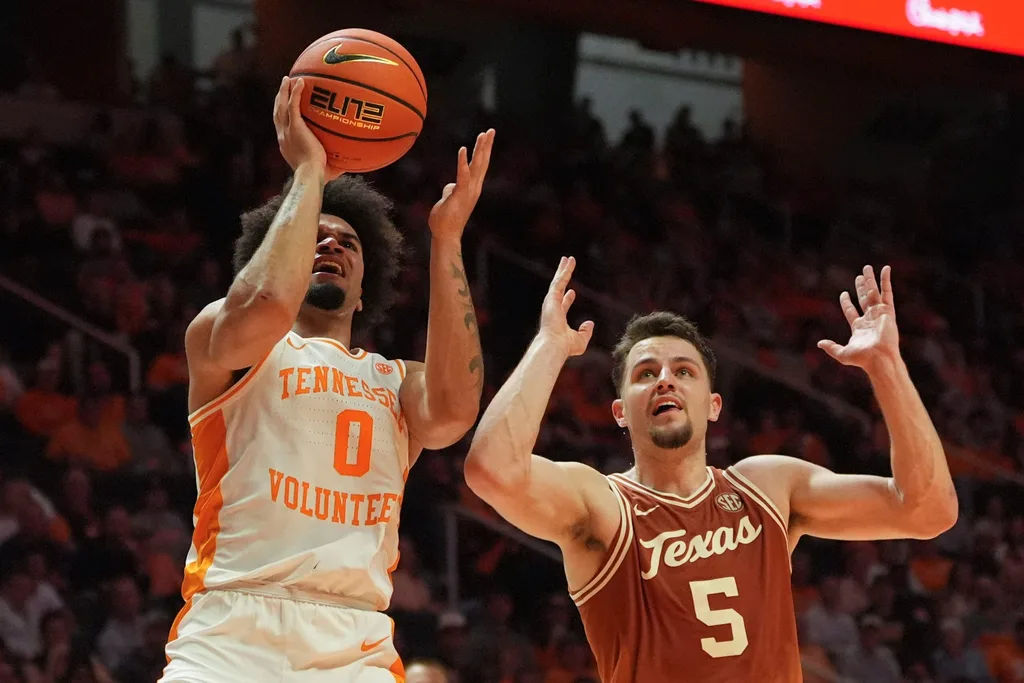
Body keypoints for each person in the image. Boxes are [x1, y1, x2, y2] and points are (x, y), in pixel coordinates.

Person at [464, 257, 958, 682]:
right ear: (620, 412)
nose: (665, 381)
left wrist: (887, 366)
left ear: (714, 405)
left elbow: (927, 510)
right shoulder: (604, 507)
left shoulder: (767, 487)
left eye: (684, 371)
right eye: (645, 374)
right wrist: (551, 343)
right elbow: (493, 469)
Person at [161, 77, 494, 682]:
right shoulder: (225, 336)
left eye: (347, 243)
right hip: (233, 627)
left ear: (366, 288)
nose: (331, 245)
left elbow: (453, 412)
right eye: (314, 236)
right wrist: (309, 172)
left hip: (352, 638)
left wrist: (447, 241)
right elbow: (266, 300)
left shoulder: (396, 382)